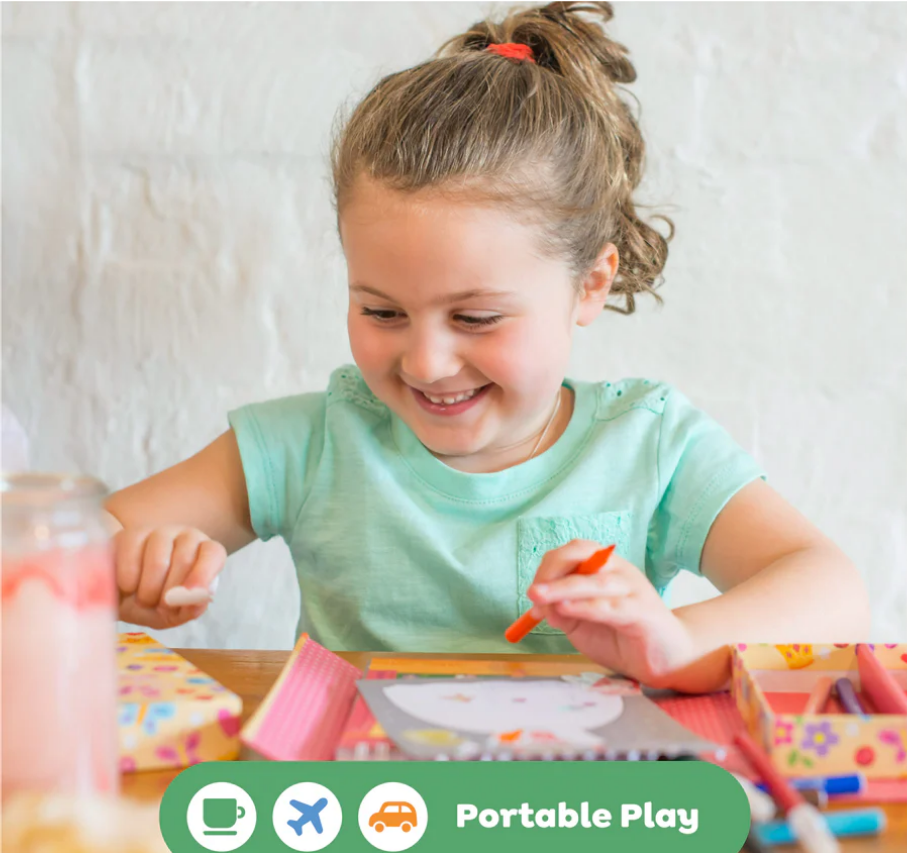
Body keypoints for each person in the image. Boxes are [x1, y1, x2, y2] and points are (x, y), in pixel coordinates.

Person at [105, 2, 869, 692]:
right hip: (360, 826)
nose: (426, 362)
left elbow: (831, 588)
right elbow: (57, 552)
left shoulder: (652, 445)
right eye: (381, 309)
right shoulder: (307, 444)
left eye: (474, 318)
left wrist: (673, 643)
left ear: (589, 285)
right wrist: (127, 569)